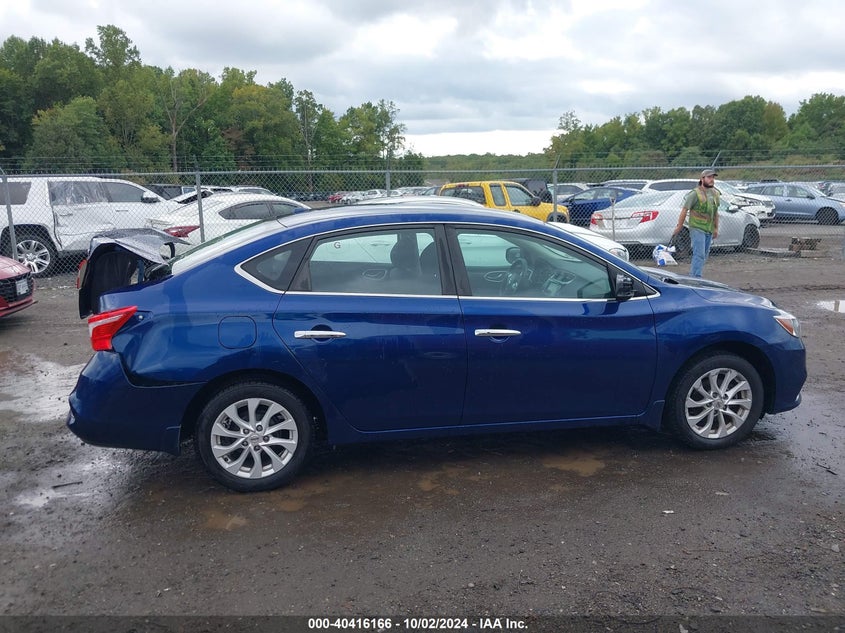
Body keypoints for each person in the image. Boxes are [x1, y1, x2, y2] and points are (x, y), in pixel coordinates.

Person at [673, 168, 720, 278]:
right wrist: (679, 226)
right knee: (699, 254)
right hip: (697, 227)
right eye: (709, 177)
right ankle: (696, 278)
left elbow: (716, 212)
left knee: (704, 255)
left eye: (713, 177)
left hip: (708, 228)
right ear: (702, 179)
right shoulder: (695, 194)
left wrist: (716, 228)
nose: (712, 179)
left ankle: (695, 275)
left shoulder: (715, 194)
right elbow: (684, 210)